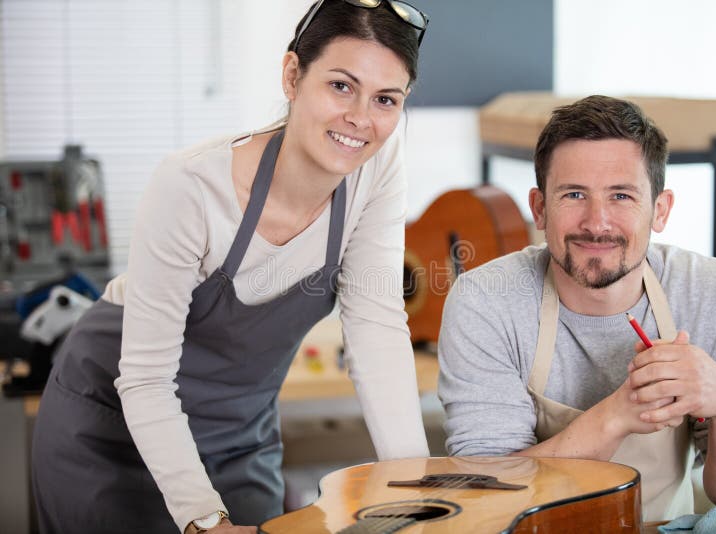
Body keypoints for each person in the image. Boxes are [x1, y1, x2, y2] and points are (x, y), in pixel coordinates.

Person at [31, 1, 431, 532]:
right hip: (114, 426)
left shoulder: (377, 164)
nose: (360, 118)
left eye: (385, 99)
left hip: (239, 435)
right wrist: (205, 520)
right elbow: (146, 379)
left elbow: (376, 328)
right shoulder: (193, 186)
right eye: (341, 86)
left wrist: (421, 497)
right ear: (292, 75)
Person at [437, 95, 716, 522]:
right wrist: (615, 417)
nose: (596, 222)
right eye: (574, 194)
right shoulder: (485, 300)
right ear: (540, 209)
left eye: (621, 195)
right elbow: (488, 492)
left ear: (660, 210)